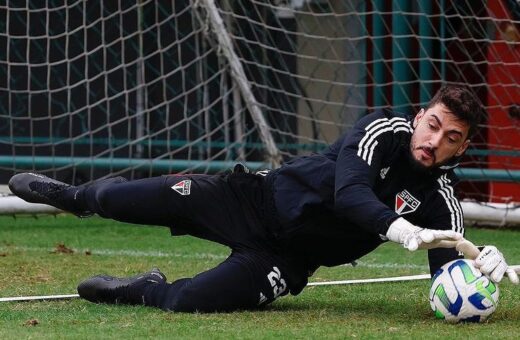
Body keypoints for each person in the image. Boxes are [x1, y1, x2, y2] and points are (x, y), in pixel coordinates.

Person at [9, 85, 518, 313]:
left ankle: (141, 288)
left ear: (463, 145)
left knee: (189, 302)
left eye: (451, 136)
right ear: (420, 115)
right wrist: (400, 229)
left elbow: (444, 277)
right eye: (432, 124)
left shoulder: (442, 201)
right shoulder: (381, 131)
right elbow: (350, 195)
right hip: (249, 198)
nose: (434, 141)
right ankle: (73, 195)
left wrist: (474, 264)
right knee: (115, 199)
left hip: (286, 261)